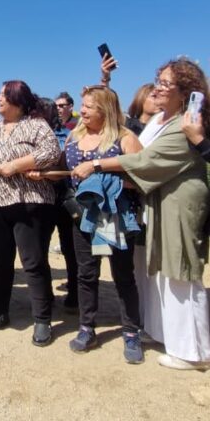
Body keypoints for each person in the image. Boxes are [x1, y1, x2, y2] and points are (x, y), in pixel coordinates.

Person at [72, 59, 210, 370]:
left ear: (186, 91)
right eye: (158, 81)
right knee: (158, 273)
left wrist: (96, 165)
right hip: (158, 202)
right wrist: (104, 83)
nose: (157, 88)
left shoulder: (187, 123)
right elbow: (115, 119)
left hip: (178, 204)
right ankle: (162, 333)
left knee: (180, 272)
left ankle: (193, 351)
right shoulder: (161, 118)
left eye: (166, 83)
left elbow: (146, 161)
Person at [0, 80, 60, 346]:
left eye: (4, 95)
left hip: (29, 202)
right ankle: (0, 311)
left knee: (33, 262)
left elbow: (52, 152)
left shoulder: (36, 125)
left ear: (18, 101)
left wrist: (17, 164)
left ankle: (42, 319)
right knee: (0, 260)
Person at [62, 86, 144, 364]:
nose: (82, 111)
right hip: (84, 217)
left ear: (106, 110)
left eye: (89, 106)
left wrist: (100, 171)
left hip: (115, 215)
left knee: (122, 275)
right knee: (86, 273)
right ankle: (87, 328)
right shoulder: (74, 136)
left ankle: (131, 332)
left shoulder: (125, 138)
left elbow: (143, 176)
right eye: (82, 105)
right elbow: (64, 171)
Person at [38, 97, 78, 312]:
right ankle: (46, 294)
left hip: (62, 195)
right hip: (44, 197)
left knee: (69, 248)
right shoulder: (35, 134)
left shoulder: (69, 134)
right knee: (41, 248)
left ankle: (73, 293)